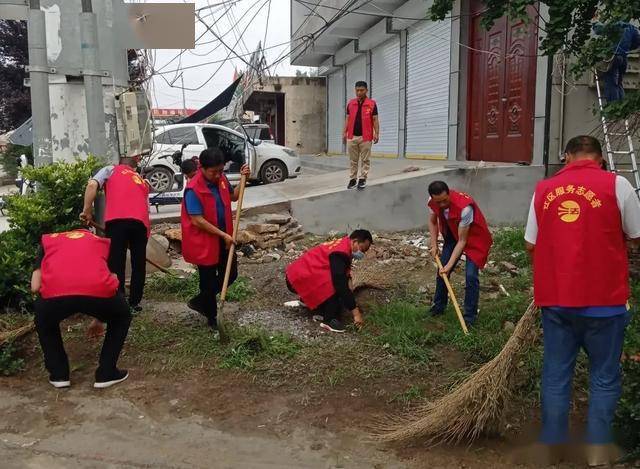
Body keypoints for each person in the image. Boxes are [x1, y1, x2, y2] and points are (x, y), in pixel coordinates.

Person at [525, 135, 640, 463]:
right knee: (604, 375)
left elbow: (530, 244)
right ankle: (597, 452)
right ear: (600, 159)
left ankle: (551, 448)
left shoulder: (544, 190)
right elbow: (636, 236)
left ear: (566, 157)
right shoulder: (618, 185)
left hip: (557, 301)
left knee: (556, 373)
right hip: (605, 302)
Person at [31, 228, 131, 389]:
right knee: (122, 315)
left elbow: (35, 286)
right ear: (88, 233)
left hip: (56, 296)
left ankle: (59, 375)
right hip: (98, 293)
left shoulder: (49, 242)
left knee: (44, 319)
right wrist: (100, 317)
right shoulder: (100, 242)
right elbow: (112, 281)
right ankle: (106, 373)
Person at [181, 148, 250, 330]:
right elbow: (197, 220)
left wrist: (244, 178)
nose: (218, 175)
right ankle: (211, 317)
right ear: (202, 168)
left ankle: (201, 300)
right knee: (208, 279)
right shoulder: (193, 189)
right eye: (214, 172)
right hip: (205, 241)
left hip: (224, 236)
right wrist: (223, 235)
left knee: (231, 274)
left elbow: (234, 197)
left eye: (221, 170)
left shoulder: (221, 179)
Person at [80, 155, 150, 313]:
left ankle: (118, 300)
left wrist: (87, 211)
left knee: (116, 261)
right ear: (134, 167)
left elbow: (92, 185)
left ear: (119, 163)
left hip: (117, 221)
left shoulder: (110, 169)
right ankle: (134, 303)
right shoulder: (140, 179)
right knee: (139, 264)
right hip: (140, 223)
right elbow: (146, 207)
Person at [427, 181, 493, 327]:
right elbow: (432, 222)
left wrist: (449, 265)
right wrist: (434, 244)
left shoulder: (465, 208)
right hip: (452, 234)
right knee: (441, 271)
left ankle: (470, 317)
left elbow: (462, 241)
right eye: (439, 202)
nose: (442, 204)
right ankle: (438, 306)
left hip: (475, 239)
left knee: (470, 276)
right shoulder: (433, 202)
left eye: (445, 200)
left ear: (449, 193)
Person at [285, 230, 372, 333]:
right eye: (362, 249)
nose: (362, 254)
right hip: (296, 281)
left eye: (364, 252)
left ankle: (309, 301)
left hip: (295, 274)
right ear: (355, 241)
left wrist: (349, 281)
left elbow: (343, 272)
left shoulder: (343, 244)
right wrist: (356, 313)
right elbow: (340, 284)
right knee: (335, 285)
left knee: (335, 279)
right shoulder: (340, 253)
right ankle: (330, 319)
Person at [343, 81, 379, 190]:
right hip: (352, 136)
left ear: (366, 90)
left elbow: (375, 120)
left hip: (366, 137)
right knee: (353, 160)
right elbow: (348, 119)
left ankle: (363, 178)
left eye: (361, 90)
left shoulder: (372, 104)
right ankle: (353, 179)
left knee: (365, 159)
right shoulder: (351, 103)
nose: (359, 92)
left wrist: (376, 133)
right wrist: (344, 132)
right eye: (357, 90)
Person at [593, 20, 640, 102]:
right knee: (619, 83)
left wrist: (595, 22)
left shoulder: (615, 24)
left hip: (614, 57)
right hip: (623, 58)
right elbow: (636, 43)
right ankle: (621, 106)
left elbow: (599, 30)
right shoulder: (632, 28)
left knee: (611, 82)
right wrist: (625, 48)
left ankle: (613, 105)